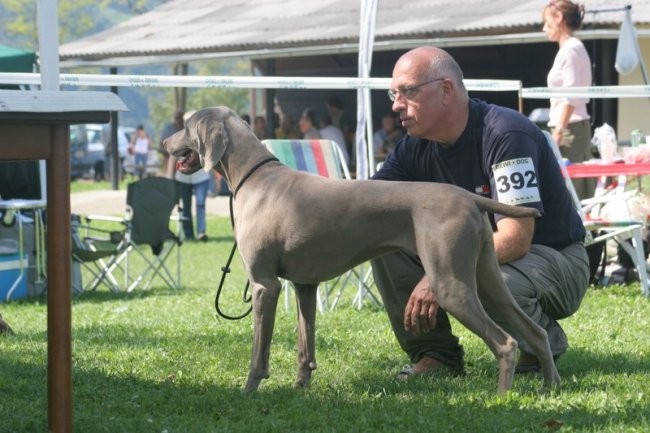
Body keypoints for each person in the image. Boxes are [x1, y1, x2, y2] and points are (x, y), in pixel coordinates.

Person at [372, 46, 589, 378]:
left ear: (446, 90)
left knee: (490, 278)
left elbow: (516, 239)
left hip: (556, 258)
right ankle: (436, 356)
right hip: (486, 252)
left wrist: (438, 275)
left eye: (408, 92)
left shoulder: (505, 134)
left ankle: (540, 344)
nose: (395, 104)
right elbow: (370, 205)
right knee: (385, 243)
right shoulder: (412, 147)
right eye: (394, 93)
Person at [543, 0, 595, 200]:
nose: (544, 28)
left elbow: (572, 96)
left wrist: (560, 130)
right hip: (565, 126)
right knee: (564, 184)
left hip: (570, 128)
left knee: (574, 187)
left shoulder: (572, 49)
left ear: (559, 18)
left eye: (547, 23)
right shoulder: (567, 49)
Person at [325, 96, 355, 164]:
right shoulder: (332, 117)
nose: (329, 110)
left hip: (347, 143)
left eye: (330, 108)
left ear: (334, 107)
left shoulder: (345, 116)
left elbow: (346, 132)